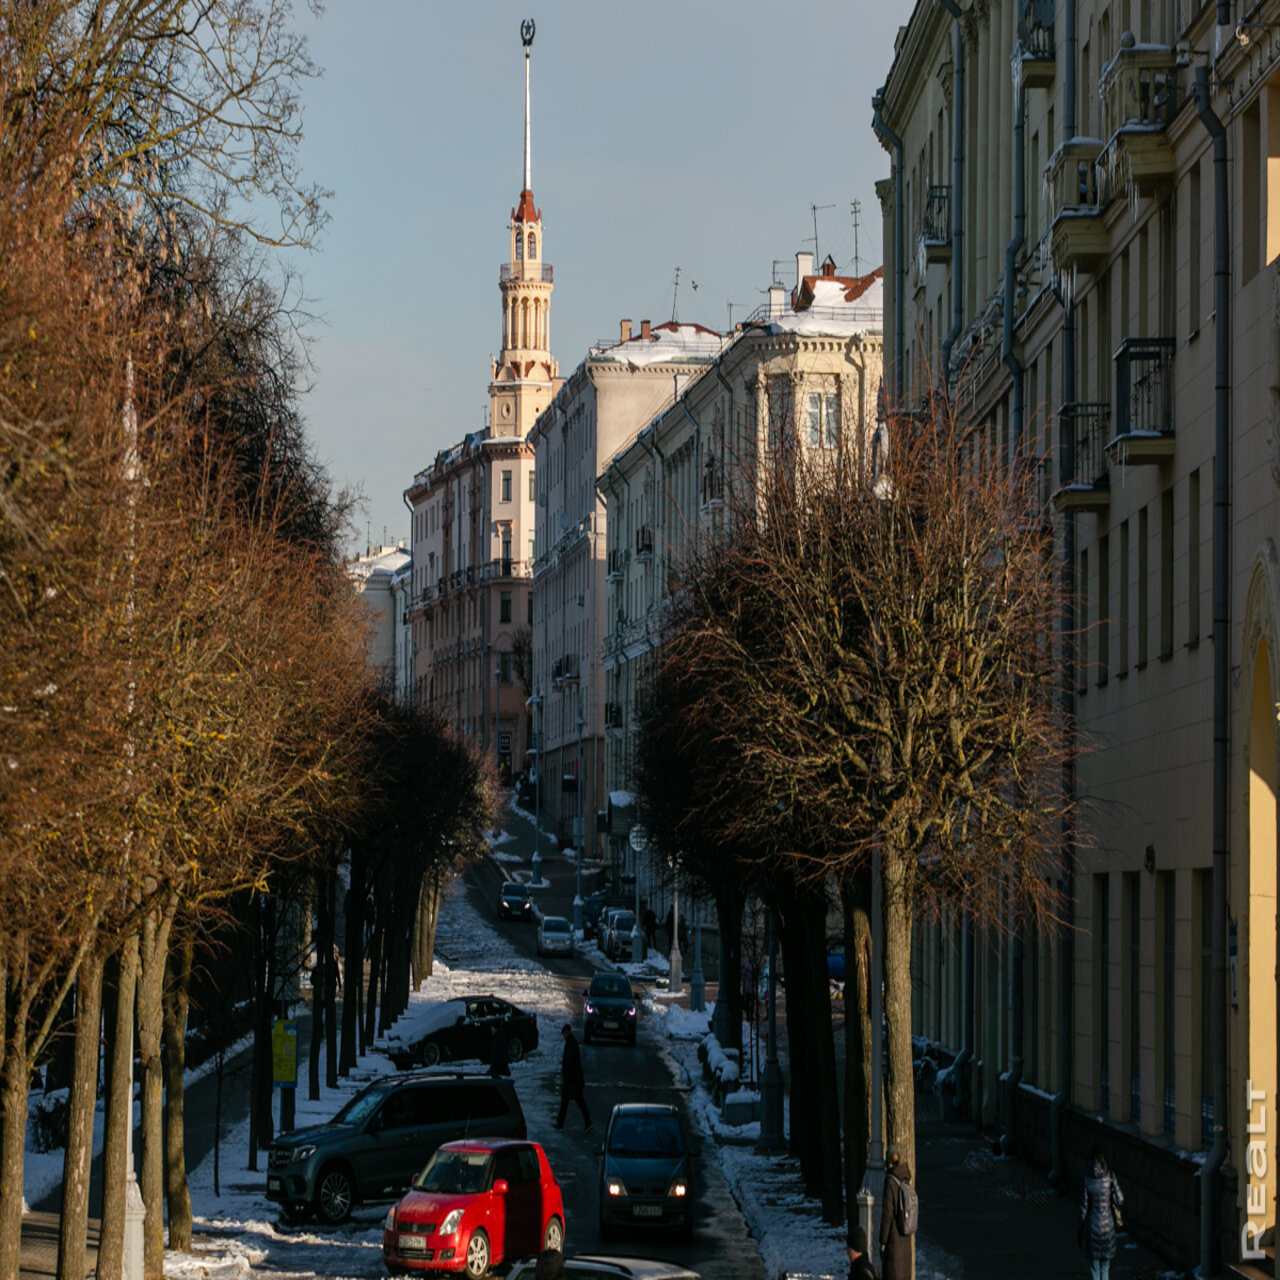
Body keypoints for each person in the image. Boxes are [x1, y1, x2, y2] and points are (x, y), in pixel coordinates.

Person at [1078, 1145, 1124, 1280]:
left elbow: (1083, 1208)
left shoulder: (1087, 1180)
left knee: (1094, 1268)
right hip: (1108, 1228)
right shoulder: (1110, 1177)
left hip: (1092, 1228)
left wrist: (1080, 1230)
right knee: (1105, 1269)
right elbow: (1120, 1199)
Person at [880, 1145, 913, 1280]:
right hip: (905, 1236)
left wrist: (882, 1241)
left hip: (893, 1239)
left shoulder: (890, 1181)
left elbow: (887, 1214)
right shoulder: (905, 1178)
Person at [553, 1022, 592, 1131]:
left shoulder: (571, 1044)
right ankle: (562, 1123)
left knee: (576, 1102)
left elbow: (570, 1062)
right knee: (568, 1102)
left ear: (567, 1032)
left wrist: (566, 1077)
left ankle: (587, 1122)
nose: (564, 1036)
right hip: (573, 1080)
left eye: (564, 1034)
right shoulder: (571, 1042)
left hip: (572, 1081)